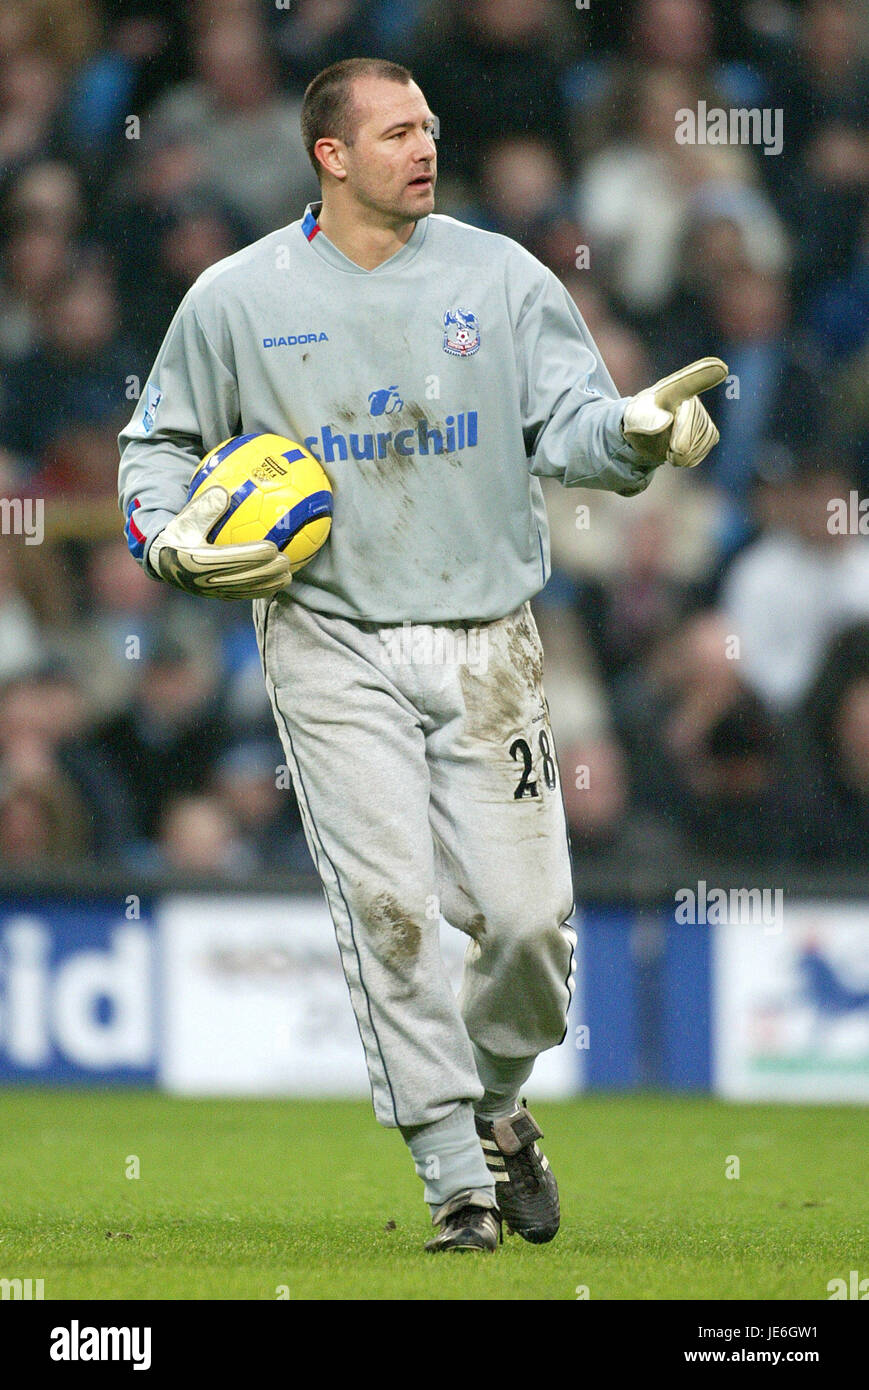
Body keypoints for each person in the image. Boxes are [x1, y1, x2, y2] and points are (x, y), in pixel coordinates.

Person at [118, 57, 725, 1253]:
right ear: (328, 156)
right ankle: (455, 1179)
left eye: (429, 128)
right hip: (328, 635)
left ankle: (498, 1106)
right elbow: (157, 446)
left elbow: (572, 423)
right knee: (389, 909)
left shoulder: (499, 275)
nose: (424, 147)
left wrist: (637, 435)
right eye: (395, 132)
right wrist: (166, 538)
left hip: (486, 633)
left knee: (527, 927)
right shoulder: (238, 295)